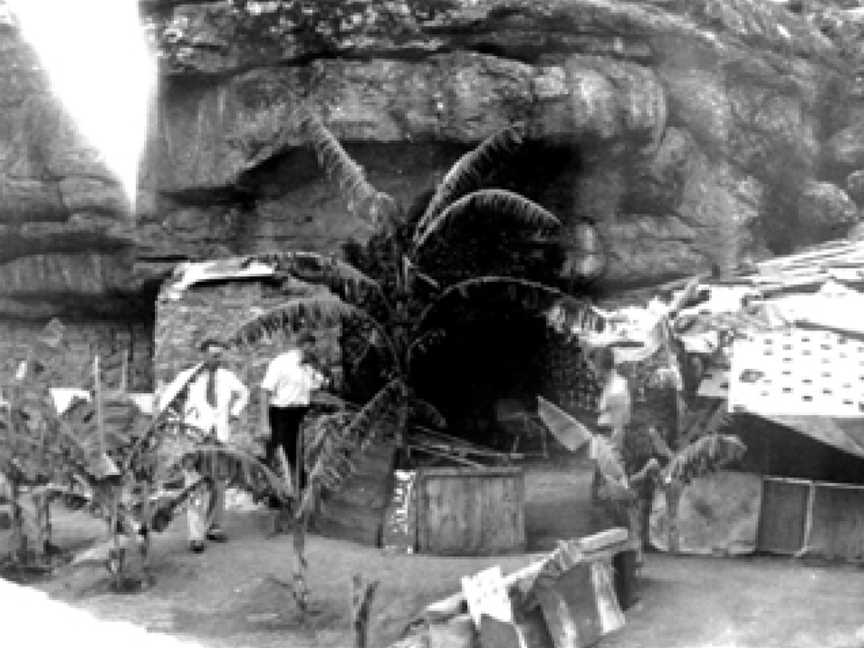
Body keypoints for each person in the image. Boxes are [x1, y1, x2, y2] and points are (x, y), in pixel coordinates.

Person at [166, 338, 249, 553]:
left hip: (219, 437)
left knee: (218, 483)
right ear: (203, 354)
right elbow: (168, 400)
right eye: (213, 355)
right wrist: (179, 426)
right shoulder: (188, 377)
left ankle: (215, 526)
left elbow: (244, 394)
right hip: (196, 438)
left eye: (220, 356)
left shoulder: (227, 377)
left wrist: (234, 413)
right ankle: (196, 535)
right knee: (194, 484)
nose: (217, 360)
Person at [260, 333, 327, 493]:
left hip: (298, 415)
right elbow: (265, 391)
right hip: (280, 414)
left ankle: (297, 491)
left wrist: (319, 370)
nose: (315, 350)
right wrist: (264, 424)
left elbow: (319, 385)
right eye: (313, 347)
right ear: (305, 345)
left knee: (296, 453)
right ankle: (274, 495)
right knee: (278, 455)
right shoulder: (281, 362)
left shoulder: (308, 367)